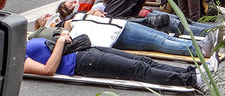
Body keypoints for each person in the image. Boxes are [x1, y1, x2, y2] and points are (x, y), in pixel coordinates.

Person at [24, 34, 210, 91]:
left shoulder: (24, 41)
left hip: (85, 50)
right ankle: (191, 81)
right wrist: (60, 42)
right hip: (80, 63)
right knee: (138, 69)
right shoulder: (18, 59)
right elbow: (48, 69)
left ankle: (193, 73)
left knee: (143, 60)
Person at [33, 12, 222, 58]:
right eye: (43, 18)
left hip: (117, 25)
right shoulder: (59, 28)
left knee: (160, 36)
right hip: (112, 35)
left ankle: (201, 44)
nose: (48, 16)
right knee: (158, 41)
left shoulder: (75, 15)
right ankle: (197, 50)